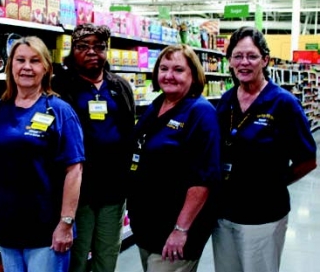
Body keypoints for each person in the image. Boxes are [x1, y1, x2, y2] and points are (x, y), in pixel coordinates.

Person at [212, 26, 317, 272]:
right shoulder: (226, 100)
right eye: (237, 56)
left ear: (265, 60)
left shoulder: (284, 103)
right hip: (224, 213)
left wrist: (276, 183)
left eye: (252, 56)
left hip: (264, 215)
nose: (244, 63)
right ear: (229, 61)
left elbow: (307, 159)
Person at [0, 36, 85, 272]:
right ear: (11, 66)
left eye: (34, 61)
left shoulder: (60, 111)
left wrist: (66, 223)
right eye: (20, 60)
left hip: (46, 230)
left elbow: (74, 171)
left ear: (46, 68)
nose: (27, 67)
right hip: (6, 226)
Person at [127, 44, 221, 272]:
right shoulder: (156, 105)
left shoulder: (200, 113)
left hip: (176, 229)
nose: (169, 75)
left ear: (193, 75)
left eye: (178, 70)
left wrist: (181, 229)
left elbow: (203, 179)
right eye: (163, 68)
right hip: (148, 225)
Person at [52, 23, 136, 272]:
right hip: (78, 190)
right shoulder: (61, 86)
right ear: (72, 50)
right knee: (75, 257)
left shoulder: (119, 86)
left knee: (107, 254)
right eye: (83, 46)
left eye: (99, 47)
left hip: (113, 189)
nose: (91, 52)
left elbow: (128, 131)